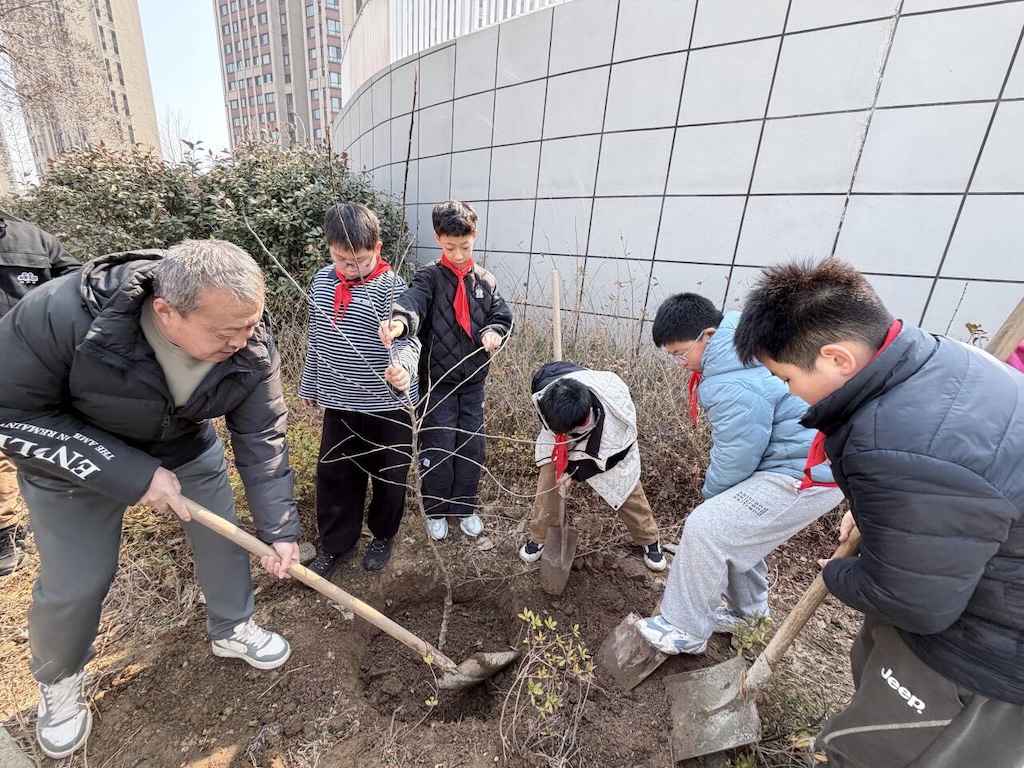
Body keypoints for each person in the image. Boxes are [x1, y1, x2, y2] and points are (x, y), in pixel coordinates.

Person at [0, 239, 301, 760]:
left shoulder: (250, 342)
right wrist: (131, 472)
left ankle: (232, 626)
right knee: (77, 581)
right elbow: (10, 414)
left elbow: (262, 440)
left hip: (181, 445)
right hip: (71, 459)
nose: (244, 341)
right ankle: (60, 678)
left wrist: (279, 529)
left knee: (224, 541)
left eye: (251, 326)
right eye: (226, 332)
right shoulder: (60, 315)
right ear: (165, 310)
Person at [733, 259, 1024, 768]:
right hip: (979, 581)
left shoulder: (893, 444)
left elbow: (914, 602)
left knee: (870, 753)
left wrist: (841, 573)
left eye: (785, 377)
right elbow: (956, 483)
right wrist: (875, 511)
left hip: (984, 657)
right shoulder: (936, 357)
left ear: (837, 358)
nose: (787, 392)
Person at [635, 294, 843, 654]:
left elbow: (739, 451)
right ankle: (748, 616)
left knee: (708, 527)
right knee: (738, 534)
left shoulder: (731, 378)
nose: (679, 363)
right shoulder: (744, 350)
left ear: (709, 335)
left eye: (681, 353)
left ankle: (683, 628)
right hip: (805, 464)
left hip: (801, 472)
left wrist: (713, 497)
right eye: (671, 356)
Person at [300, 203, 420, 577]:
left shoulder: (392, 288)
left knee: (389, 476)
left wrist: (402, 368)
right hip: (340, 402)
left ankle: (383, 535)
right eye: (342, 260)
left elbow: (409, 340)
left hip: (388, 405)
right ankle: (337, 544)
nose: (351, 268)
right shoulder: (322, 282)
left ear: (378, 248)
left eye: (361, 261)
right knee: (336, 476)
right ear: (329, 249)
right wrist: (310, 383)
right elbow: (316, 337)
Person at [380, 201, 511, 541]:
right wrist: (399, 321)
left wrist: (494, 332)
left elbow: (502, 316)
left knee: (471, 447)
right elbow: (414, 302)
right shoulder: (429, 276)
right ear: (438, 238)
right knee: (438, 446)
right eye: (449, 246)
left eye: (464, 246)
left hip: (472, 384)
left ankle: (464, 507)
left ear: (474, 237)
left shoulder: (486, 281)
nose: (456, 253)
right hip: (436, 383)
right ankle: (436, 509)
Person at [520, 362, 667, 571]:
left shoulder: (617, 420)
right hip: (562, 429)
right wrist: (562, 455)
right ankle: (540, 536)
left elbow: (610, 459)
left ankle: (649, 538)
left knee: (626, 488)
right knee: (548, 479)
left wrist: (573, 471)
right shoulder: (547, 392)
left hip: (612, 450)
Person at [0, 211, 80, 577]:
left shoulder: (30, 238)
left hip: (37, 370)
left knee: (34, 447)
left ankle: (8, 529)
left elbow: (78, 283)